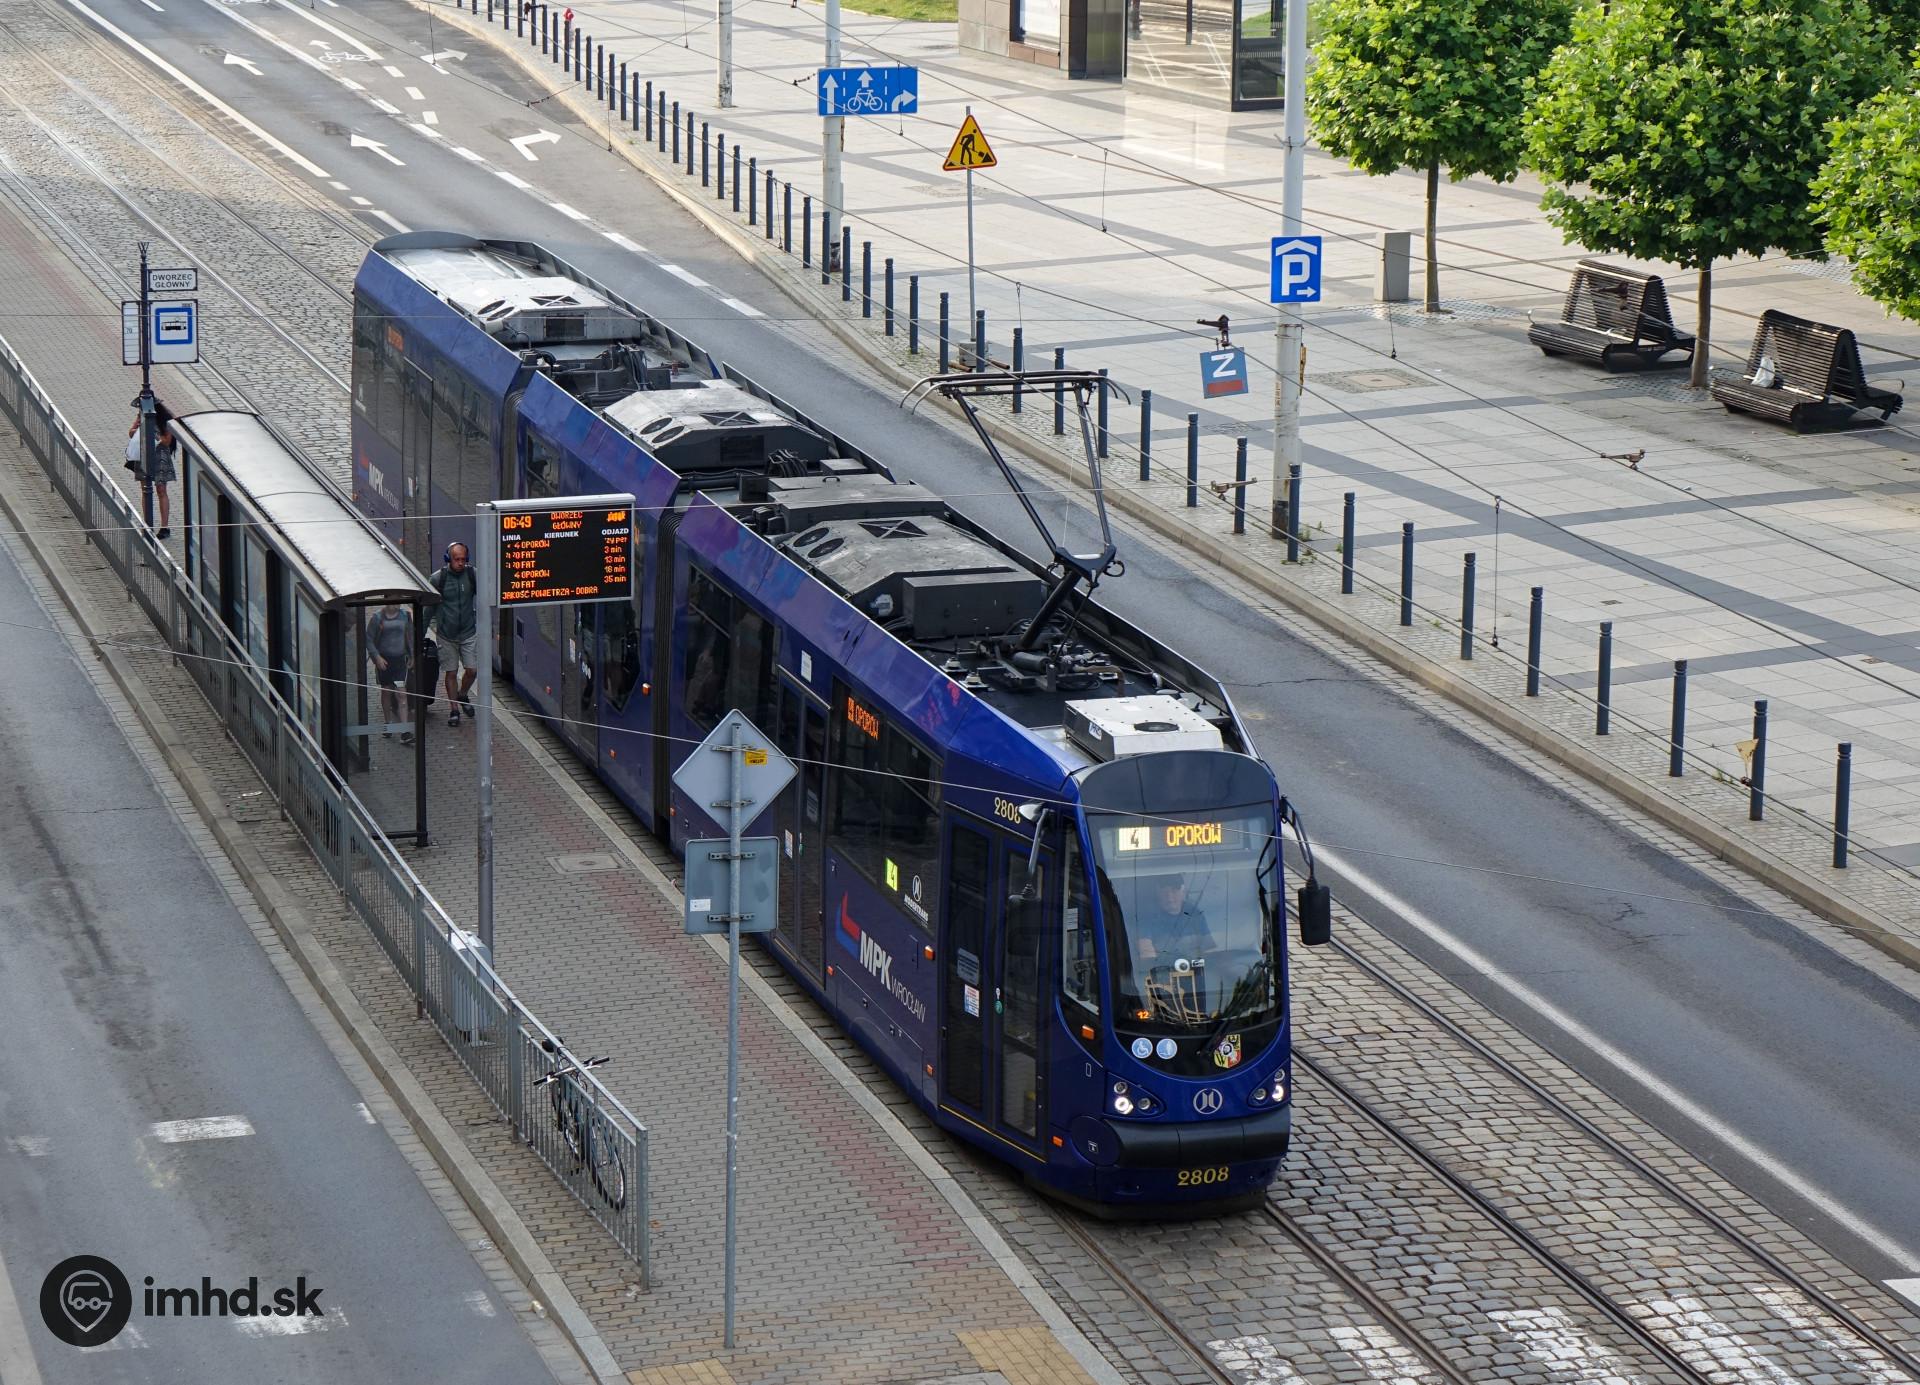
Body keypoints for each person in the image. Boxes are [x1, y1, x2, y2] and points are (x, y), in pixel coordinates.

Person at [429, 542, 479, 727]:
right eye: (457, 559)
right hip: (446, 635)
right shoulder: (438, 579)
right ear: (448, 559)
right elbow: (428, 609)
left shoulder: (472, 575)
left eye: (463, 559)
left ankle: (463, 694)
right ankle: (454, 710)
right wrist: (420, 633)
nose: (460, 563)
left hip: (468, 632)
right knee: (451, 672)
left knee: (472, 670)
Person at [366, 601, 415, 745]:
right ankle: (388, 723)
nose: (397, 603)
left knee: (401, 693)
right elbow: (368, 639)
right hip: (385, 662)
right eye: (394, 599)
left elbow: (410, 636)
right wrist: (377, 657)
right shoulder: (377, 617)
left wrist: (412, 655)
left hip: (399, 662)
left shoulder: (405, 616)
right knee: (386, 691)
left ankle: (404, 731)